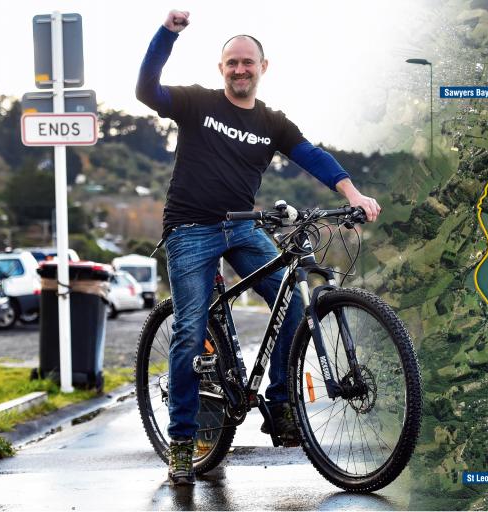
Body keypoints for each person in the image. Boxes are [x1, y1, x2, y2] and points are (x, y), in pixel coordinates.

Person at [136, 10, 381, 486]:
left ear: (263, 67)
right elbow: (147, 90)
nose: (240, 70)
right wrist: (168, 33)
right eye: (232, 63)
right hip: (190, 229)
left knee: (292, 301)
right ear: (221, 68)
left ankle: (281, 402)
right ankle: (183, 442)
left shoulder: (272, 122)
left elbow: (311, 155)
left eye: (248, 62)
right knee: (189, 332)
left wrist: (352, 195)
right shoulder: (196, 104)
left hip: (244, 226)